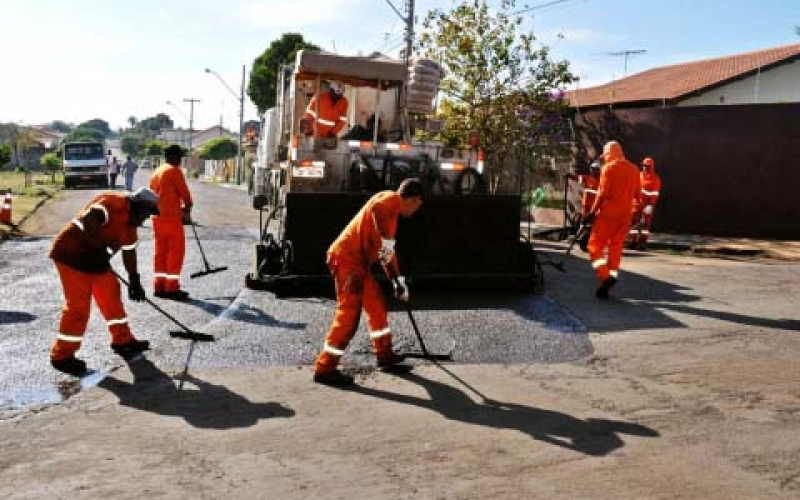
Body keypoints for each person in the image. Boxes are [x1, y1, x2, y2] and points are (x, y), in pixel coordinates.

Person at [313, 178, 425, 386]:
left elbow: (387, 254)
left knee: (376, 306)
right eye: (419, 204)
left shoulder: (393, 217)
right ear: (414, 199)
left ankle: (384, 355)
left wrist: (397, 281)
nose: (417, 209)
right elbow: (376, 209)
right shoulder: (391, 199)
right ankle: (325, 367)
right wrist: (386, 240)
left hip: (358, 264)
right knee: (349, 314)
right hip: (347, 260)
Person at [48, 188, 160, 376]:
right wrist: (98, 250)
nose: (146, 219)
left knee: (111, 295)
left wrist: (134, 280)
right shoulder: (114, 202)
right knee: (78, 307)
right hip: (71, 256)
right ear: (137, 205)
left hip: (95, 262)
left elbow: (129, 252)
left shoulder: (130, 228)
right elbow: (90, 219)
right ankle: (62, 356)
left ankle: (122, 340)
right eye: (146, 213)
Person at [585, 141, 642, 299]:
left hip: (608, 215)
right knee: (615, 248)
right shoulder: (635, 169)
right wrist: (634, 213)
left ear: (608, 154)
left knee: (594, 247)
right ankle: (609, 280)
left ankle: (605, 276)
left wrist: (591, 212)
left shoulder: (608, 168)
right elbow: (638, 197)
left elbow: (602, 194)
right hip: (625, 216)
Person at [149, 144, 194, 301]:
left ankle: (159, 285)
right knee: (175, 252)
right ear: (172, 157)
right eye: (179, 157)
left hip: (157, 218)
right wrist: (187, 206)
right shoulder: (174, 171)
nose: (180, 160)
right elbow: (185, 194)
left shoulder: (157, 172)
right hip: (171, 218)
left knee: (160, 252)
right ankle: (171, 288)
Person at [627, 157, 662, 250]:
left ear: (651, 167)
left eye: (647, 166)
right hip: (636, 204)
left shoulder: (655, 179)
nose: (645, 167)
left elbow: (655, 194)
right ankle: (632, 242)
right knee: (633, 223)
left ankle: (642, 243)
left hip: (647, 205)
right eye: (644, 166)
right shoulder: (639, 175)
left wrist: (650, 205)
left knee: (645, 225)